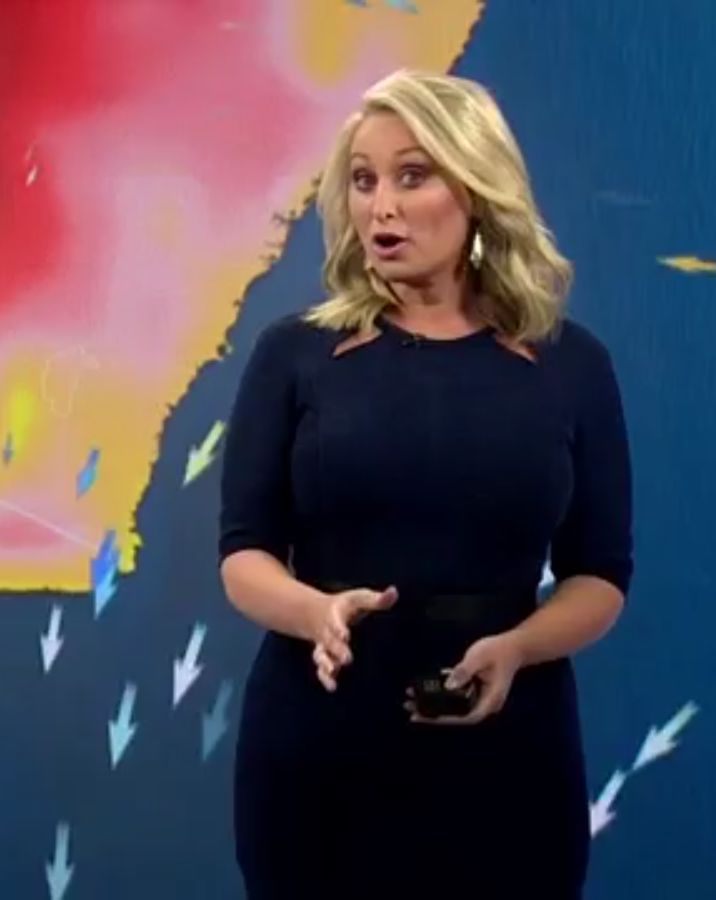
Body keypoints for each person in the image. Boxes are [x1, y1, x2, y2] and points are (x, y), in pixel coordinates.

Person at [217, 69, 632, 899]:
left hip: (510, 756)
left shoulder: (571, 365)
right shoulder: (294, 355)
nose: (381, 207)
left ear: (476, 189)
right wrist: (313, 612)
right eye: (363, 180)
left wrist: (519, 648)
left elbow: (600, 575)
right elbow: (243, 554)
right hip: (321, 746)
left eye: (412, 176)